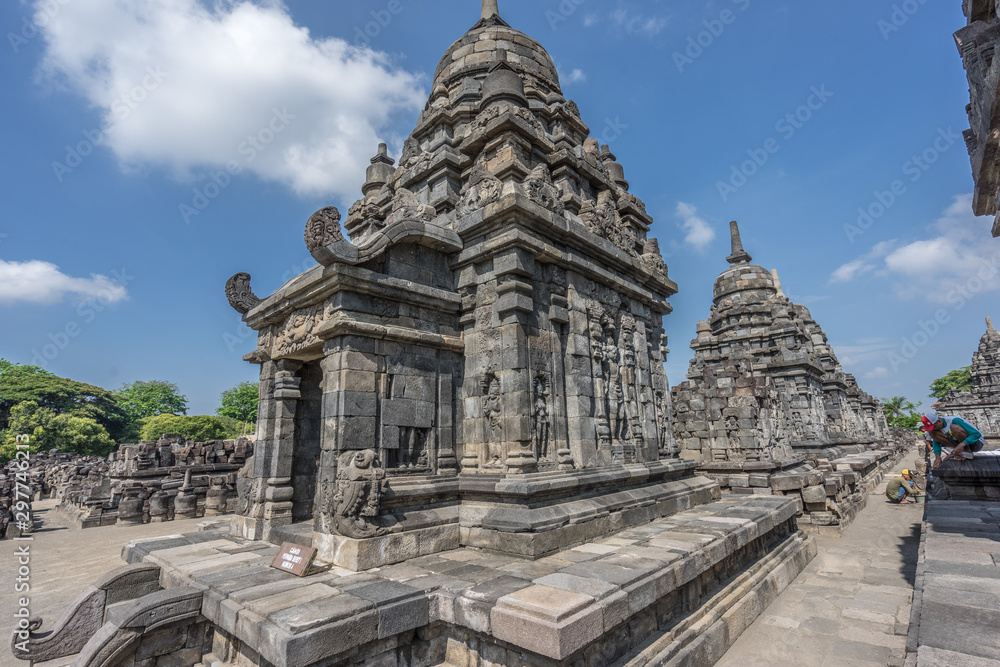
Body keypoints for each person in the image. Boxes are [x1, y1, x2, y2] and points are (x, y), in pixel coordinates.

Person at [922, 409, 986, 467]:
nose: (934, 429)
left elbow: (976, 434)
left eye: (934, 427)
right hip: (959, 445)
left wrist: (962, 445)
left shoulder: (953, 420)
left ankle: (967, 452)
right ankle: (959, 453)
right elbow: (936, 442)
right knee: (932, 433)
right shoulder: (936, 430)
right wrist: (937, 457)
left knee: (954, 428)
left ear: (939, 421)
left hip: (976, 443)